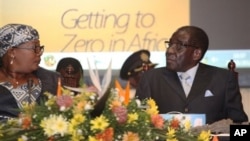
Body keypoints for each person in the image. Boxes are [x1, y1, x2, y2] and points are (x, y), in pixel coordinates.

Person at [135, 25, 248, 124]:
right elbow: (138, 124)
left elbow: (240, 125)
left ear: (196, 53)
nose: (169, 51)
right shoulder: (151, 79)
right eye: (170, 44)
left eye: (179, 46)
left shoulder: (223, 79)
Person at [0, 23, 60, 120]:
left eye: (39, 48)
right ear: (12, 52)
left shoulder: (53, 81)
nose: (39, 53)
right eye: (34, 48)